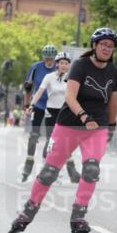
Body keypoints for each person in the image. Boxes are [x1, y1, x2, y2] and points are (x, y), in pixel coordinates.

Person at [7, 28, 117, 233]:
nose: (107, 48)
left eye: (111, 46)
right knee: (50, 172)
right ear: (95, 46)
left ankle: (78, 218)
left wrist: (112, 126)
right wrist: (84, 116)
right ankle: (27, 213)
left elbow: (114, 101)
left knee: (91, 169)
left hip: (97, 128)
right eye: (103, 44)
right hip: (69, 124)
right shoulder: (80, 65)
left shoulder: (113, 73)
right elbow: (70, 96)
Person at [27, 51, 81, 183]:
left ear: (69, 66)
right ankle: (46, 168)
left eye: (66, 63)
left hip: (65, 112)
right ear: (57, 64)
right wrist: (31, 105)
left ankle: (58, 170)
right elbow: (39, 92)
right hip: (51, 111)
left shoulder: (71, 79)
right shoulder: (49, 77)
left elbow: (77, 96)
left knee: (64, 142)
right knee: (52, 141)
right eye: (61, 63)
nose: (63, 65)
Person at [20, 44, 58, 181]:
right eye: (47, 58)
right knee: (34, 135)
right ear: (43, 57)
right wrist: (26, 105)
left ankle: (45, 166)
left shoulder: (59, 68)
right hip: (38, 105)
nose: (49, 61)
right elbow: (28, 88)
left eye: (51, 59)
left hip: (53, 107)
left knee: (50, 138)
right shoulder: (35, 68)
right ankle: (28, 164)